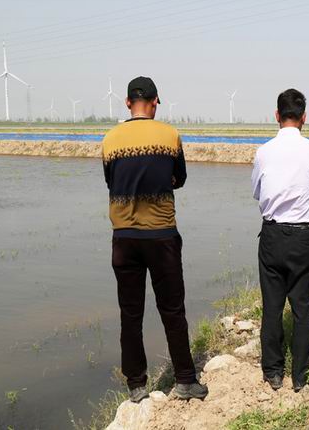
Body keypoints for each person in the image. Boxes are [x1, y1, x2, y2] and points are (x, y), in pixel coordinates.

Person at [102, 76, 207, 403]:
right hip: (162, 236)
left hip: (124, 238)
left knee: (130, 314)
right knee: (173, 310)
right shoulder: (169, 135)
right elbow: (180, 178)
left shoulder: (110, 139)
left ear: (127, 103)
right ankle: (185, 380)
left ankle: (136, 386)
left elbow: (111, 181)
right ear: (155, 102)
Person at [251, 89, 309, 392]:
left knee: (272, 306)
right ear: (304, 117)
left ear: (276, 115)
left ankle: (273, 371)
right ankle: (300, 375)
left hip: (272, 235)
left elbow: (257, 192)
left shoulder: (264, 151)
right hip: (304, 235)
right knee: (302, 308)